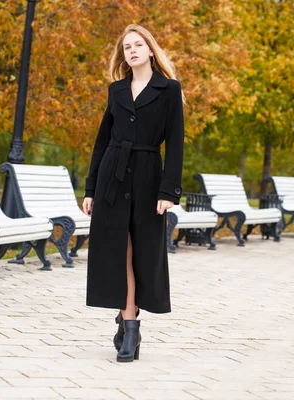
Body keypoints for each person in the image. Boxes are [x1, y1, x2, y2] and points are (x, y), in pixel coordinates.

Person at [82, 24, 185, 363]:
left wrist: (168, 190)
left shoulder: (169, 89)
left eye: (138, 44)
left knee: (142, 253)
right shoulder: (116, 90)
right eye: (127, 47)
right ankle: (131, 327)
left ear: (151, 49)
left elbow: (176, 144)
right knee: (120, 251)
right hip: (114, 175)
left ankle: (128, 316)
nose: (132, 51)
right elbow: (102, 142)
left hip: (147, 175)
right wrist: (91, 189)